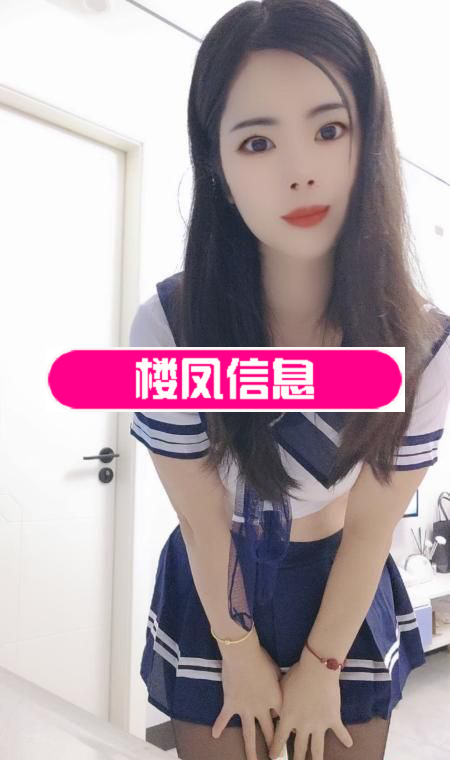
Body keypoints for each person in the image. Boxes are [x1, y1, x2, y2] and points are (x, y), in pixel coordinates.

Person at [129, 1, 450, 758]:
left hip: (342, 581)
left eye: (329, 130)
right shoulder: (170, 326)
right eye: (258, 141)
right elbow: (202, 515)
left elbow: (372, 523)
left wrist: (322, 666)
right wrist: (237, 649)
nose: (299, 170)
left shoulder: (425, 345)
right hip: (216, 582)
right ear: (218, 165)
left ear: (370, 140)